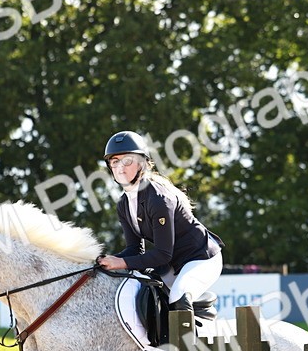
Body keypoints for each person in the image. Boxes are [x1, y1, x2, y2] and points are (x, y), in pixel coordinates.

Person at [95, 130, 224, 312]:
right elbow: (135, 249)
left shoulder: (159, 199)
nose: (120, 168)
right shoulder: (123, 204)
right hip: (171, 264)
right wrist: (106, 261)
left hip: (201, 259)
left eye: (127, 161)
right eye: (115, 162)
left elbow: (163, 254)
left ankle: (187, 341)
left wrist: (121, 263)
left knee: (178, 298)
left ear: (142, 163)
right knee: (141, 294)